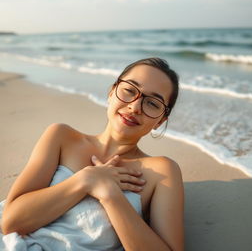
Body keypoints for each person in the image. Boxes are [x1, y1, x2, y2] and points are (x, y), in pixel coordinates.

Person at [0, 57, 184, 251]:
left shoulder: (162, 172)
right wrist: (85, 180)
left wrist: (111, 195)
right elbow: (11, 222)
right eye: (129, 91)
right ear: (111, 92)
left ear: (161, 121)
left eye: (152, 103)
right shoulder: (62, 137)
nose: (135, 106)